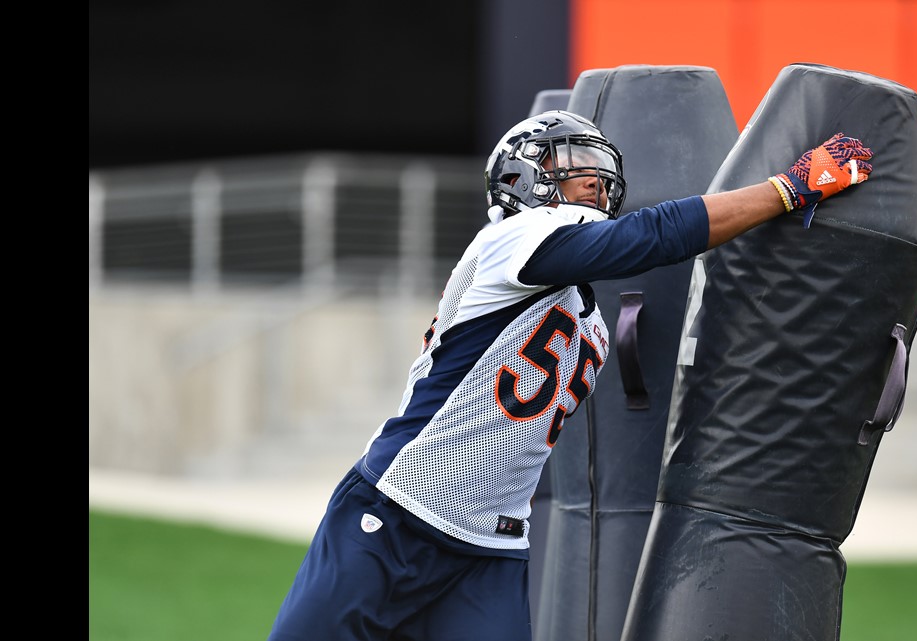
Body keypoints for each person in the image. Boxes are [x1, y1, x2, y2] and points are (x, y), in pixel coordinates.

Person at [266, 110, 874, 641]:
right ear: (519, 176)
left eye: (599, 163)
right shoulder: (510, 240)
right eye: (572, 159)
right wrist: (788, 189)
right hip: (399, 509)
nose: (593, 175)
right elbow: (653, 236)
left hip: (490, 545)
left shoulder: (591, 320)